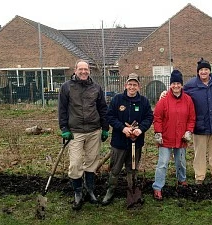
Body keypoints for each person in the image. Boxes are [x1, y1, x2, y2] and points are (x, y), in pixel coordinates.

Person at [58, 59, 109, 210]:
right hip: (75, 132)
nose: (83, 72)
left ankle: (90, 190)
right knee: (75, 163)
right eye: (80, 69)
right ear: (75, 70)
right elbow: (62, 110)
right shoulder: (66, 88)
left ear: (89, 71)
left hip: (94, 131)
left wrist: (105, 128)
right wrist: (64, 128)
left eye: (86, 69)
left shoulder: (96, 88)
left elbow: (103, 108)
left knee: (92, 162)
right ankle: (78, 193)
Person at [102, 73, 153, 206]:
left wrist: (140, 129)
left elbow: (149, 118)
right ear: (126, 85)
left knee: (132, 168)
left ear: (138, 87)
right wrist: (122, 128)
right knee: (115, 169)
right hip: (119, 142)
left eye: (134, 84)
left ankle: (132, 190)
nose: (132, 87)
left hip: (136, 143)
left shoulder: (144, 101)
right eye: (130, 84)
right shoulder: (117, 99)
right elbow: (110, 116)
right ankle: (110, 191)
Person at [183, 58, 212, 186]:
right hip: (200, 125)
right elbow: (179, 94)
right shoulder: (190, 85)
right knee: (199, 153)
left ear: (210, 71)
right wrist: (166, 93)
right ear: (198, 72)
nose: (204, 72)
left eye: (206, 69)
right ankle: (200, 176)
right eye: (201, 70)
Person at [152, 70, 196, 200]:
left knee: (181, 162)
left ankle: (181, 180)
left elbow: (192, 118)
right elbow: (157, 117)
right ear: (170, 85)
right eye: (173, 83)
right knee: (163, 163)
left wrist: (189, 131)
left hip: (181, 138)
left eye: (178, 83)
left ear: (182, 85)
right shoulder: (164, 100)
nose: (176, 86)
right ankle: (158, 187)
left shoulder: (188, 100)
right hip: (166, 138)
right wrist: (158, 133)